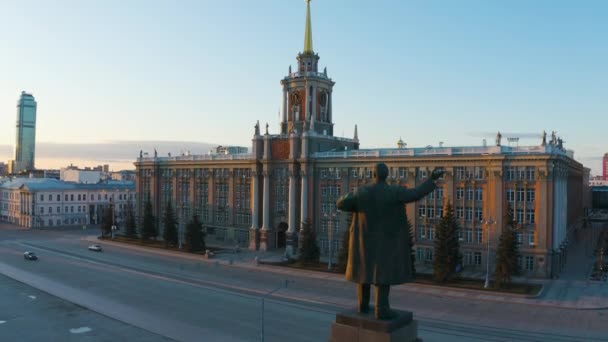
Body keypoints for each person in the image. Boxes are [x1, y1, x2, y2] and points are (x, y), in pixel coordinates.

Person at [336, 163, 443, 320]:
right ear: (387, 176)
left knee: (364, 273)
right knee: (382, 274)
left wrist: (355, 194)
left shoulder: (362, 192)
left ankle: (362, 305)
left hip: (363, 243)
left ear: (373, 175)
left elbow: (341, 203)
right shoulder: (394, 191)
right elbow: (415, 193)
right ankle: (382, 309)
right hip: (385, 243)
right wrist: (432, 179)